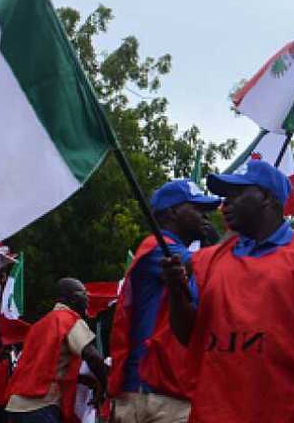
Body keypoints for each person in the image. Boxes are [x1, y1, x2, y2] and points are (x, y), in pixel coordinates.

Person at [161, 160, 294, 422]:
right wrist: (176, 293)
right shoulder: (207, 261)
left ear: (266, 197)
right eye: (225, 196)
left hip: (285, 413)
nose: (225, 204)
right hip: (211, 414)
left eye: (237, 194)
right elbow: (188, 336)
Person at [108, 179, 220, 423]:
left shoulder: (177, 251)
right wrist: (228, 246)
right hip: (152, 394)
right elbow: (204, 265)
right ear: (172, 212)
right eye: (197, 208)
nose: (206, 218)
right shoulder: (158, 248)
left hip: (159, 391)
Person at [5, 278, 108, 423]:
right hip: (41, 405)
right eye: (84, 294)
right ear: (73, 299)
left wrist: (85, 380)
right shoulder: (68, 319)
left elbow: (44, 369)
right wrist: (106, 385)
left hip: (14, 405)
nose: (87, 299)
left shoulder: (38, 326)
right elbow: (92, 355)